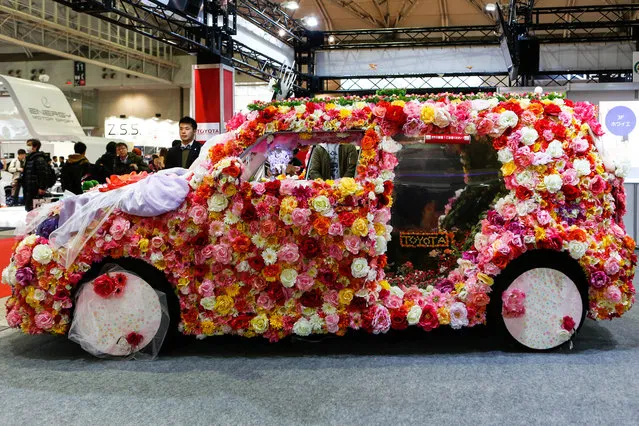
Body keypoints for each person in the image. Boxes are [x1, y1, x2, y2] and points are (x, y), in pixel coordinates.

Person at [22, 139, 51, 211]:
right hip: (29, 188)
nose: (27, 147)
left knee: (36, 210)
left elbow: (43, 174)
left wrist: (42, 187)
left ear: (35, 147)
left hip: (36, 189)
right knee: (29, 208)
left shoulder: (39, 159)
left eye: (29, 145)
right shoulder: (29, 158)